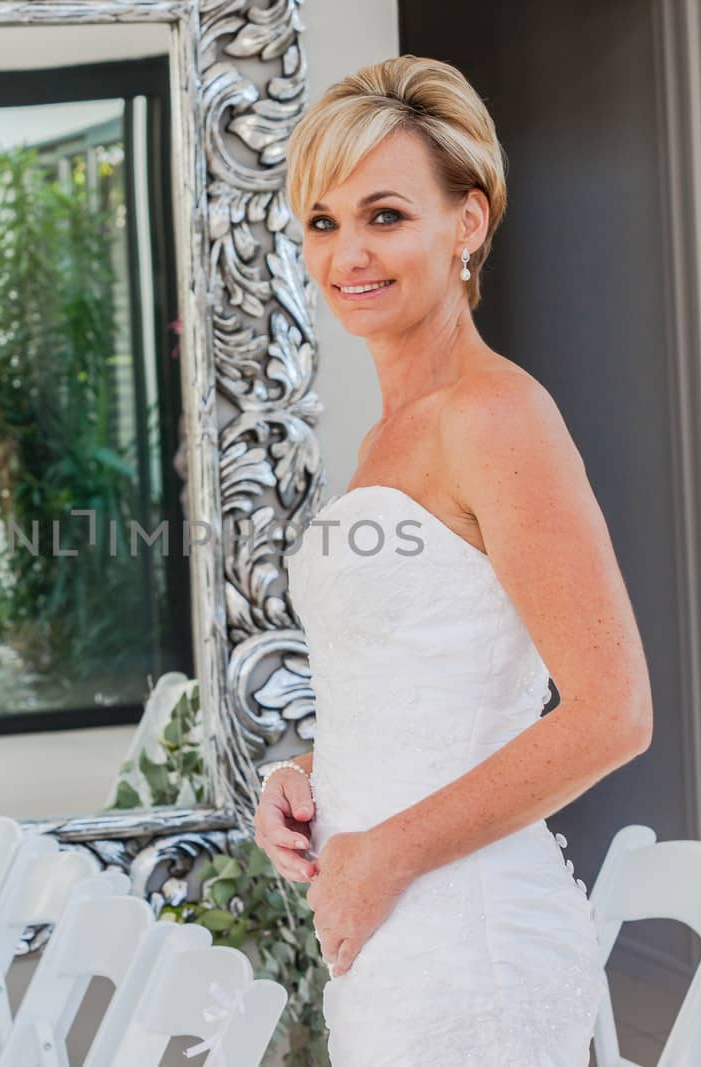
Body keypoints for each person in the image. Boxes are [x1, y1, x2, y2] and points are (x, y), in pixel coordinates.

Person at [254, 56, 654, 1064]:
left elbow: (613, 712)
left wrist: (382, 855)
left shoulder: (495, 417)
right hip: (390, 932)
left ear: (466, 224)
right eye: (323, 220)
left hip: (468, 938)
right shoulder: (391, 433)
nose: (348, 251)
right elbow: (427, 684)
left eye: (385, 214)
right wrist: (308, 776)